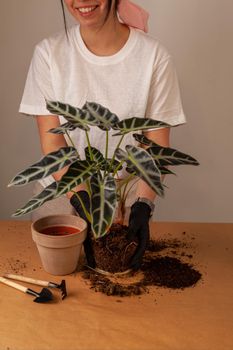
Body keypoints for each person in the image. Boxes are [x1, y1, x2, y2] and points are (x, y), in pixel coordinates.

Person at [19, 0, 186, 270]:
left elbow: (157, 147)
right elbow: (53, 144)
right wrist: (83, 201)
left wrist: (143, 206)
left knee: (120, 278)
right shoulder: (49, 53)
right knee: (61, 276)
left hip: (123, 197)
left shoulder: (153, 56)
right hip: (63, 189)